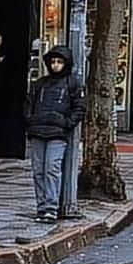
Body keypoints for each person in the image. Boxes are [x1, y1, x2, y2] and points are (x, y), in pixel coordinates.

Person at [24, 47, 85, 224]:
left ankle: (50, 207)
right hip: (38, 130)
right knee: (38, 172)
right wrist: (30, 119)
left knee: (52, 169)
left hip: (57, 133)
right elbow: (29, 103)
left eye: (59, 62)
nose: (55, 65)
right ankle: (42, 206)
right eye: (53, 62)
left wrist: (66, 122)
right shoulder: (40, 84)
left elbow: (79, 107)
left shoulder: (72, 83)